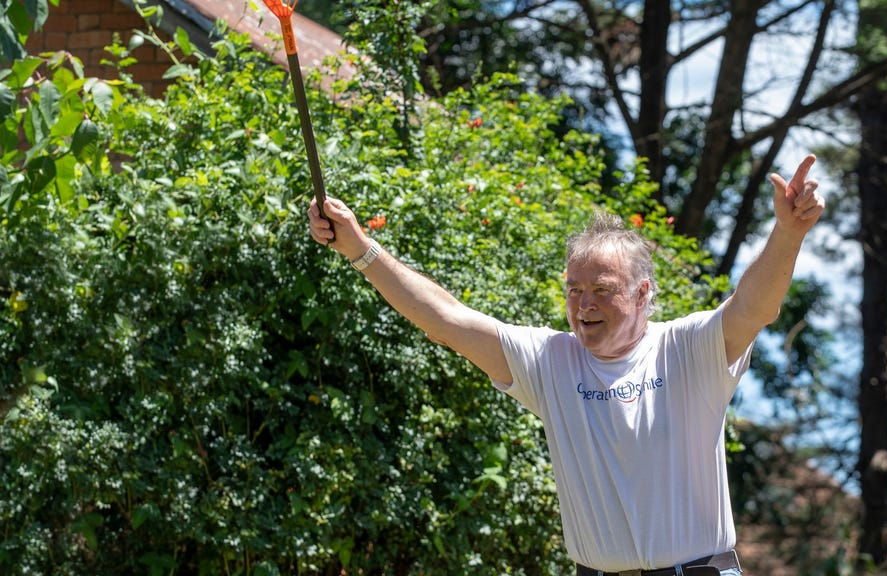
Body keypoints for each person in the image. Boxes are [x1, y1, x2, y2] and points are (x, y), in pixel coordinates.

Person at [308, 154, 826, 576]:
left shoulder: (689, 347)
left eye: (602, 290)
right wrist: (359, 247)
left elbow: (755, 306)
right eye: (574, 291)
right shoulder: (549, 359)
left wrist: (788, 232)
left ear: (644, 293)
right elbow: (445, 319)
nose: (584, 306)